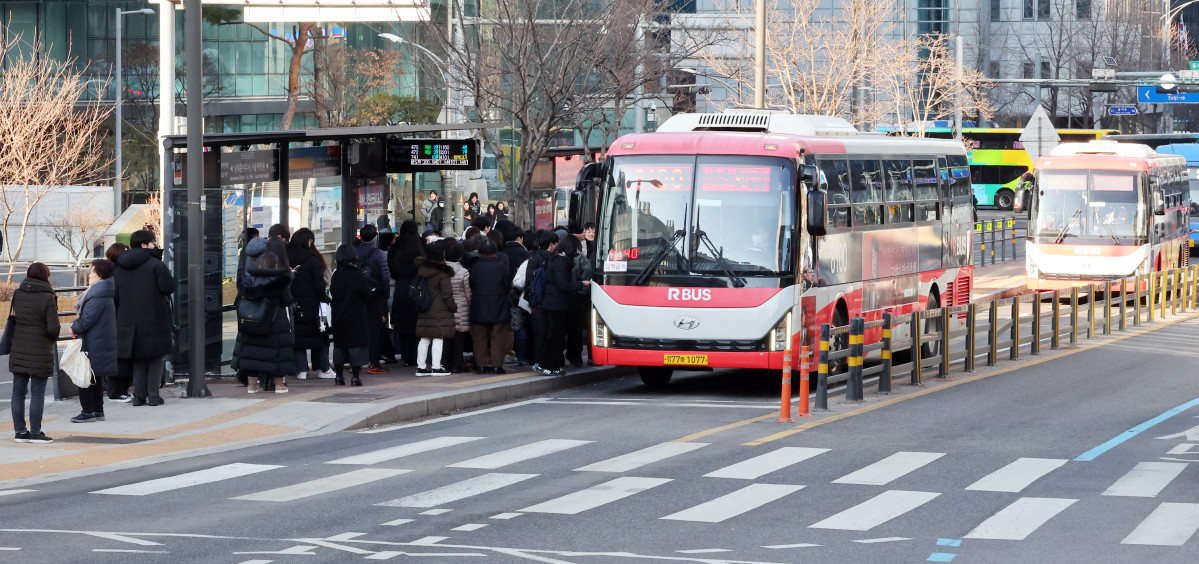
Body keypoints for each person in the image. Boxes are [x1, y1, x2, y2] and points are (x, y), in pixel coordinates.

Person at [114, 230, 174, 406]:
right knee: (155, 358)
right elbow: (168, 287)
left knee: (138, 358)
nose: (154, 245)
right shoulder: (155, 264)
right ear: (143, 245)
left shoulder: (120, 267)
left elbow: (115, 295)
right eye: (152, 242)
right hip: (154, 318)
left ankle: (139, 396)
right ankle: (154, 396)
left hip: (128, 321)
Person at [233, 237, 296, 393]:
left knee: (252, 355)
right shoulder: (278, 282)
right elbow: (287, 300)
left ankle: (252, 386)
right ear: (274, 264)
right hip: (274, 323)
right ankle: (279, 385)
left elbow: (238, 301)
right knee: (277, 354)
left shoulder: (248, 281)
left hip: (251, 323)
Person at [9, 263, 60, 443]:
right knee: (37, 393)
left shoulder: (18, 294)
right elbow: (53, 328)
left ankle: (20, 432)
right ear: (46, 276)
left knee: (18, 393)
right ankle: (36, 433)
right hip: (40, 351)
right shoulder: (48, 297)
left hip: (19, 348)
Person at [69, 259, 118, 423]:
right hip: (99, 339)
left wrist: (75, 327)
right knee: (94, 377)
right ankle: (97, 411)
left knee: (84, 376)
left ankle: (88, 411)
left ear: (100, 274)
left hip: (93, 341)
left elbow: (88, 318)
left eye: (92, 271)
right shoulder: (103, 291)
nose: (89, 275)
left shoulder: (98, 294)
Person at [534, 234, 589, 376]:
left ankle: (549, 365)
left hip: (550, 302)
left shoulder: (552, 258)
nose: (577, 252)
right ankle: (547, 365)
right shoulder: (562, 262)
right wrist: (581, 284)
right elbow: (563, 285)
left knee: (553, 336)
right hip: (557, 304)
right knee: (555, 337)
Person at [288, 228, 334, 380]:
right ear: (308, 241)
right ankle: (324, 368)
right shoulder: (313, 260)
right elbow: (319, 286)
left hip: (294, 305)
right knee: (321, 336)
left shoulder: (287, 259)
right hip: (315, 306)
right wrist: (325, 299)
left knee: (298, 338)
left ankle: (301, 370)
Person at [330, 244, 373, 386]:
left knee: (339, 346)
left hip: (338, 316)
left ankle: (338, 376)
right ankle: (355, 377)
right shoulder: (357, 275)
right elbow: (367, 295)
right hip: (356, 316)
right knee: (356, 347)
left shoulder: (336, 275)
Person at [469, 239, 513, 374]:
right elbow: (507, 286)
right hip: (498, 306)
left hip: (478, 306)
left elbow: (472, 285)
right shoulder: (501, 266)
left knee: (479, 337)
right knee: (498, 337)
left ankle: (481, 365)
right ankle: (497, 365)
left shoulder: (475, 267)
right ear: (495, 252)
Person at [414, 241, 456, 376]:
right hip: (440, 309)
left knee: (424, 338)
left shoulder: (422, 269)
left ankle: (421, 367)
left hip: (424, 306)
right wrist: (453, 306)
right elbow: (447, 293)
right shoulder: (443, 272)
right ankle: (436, 367)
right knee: (438, 337)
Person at [356, 225, 391, 374]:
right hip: (375, 295)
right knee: (374, 329)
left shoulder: (354, 250)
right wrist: (386, 295)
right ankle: (374, 363)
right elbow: (385, 276)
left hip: (358, 295)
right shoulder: (377, 254)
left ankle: (355, 362)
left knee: (358, 328)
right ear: (375, 237)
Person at [390, 220, 423, 366]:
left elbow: (392, 270)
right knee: (417, 322)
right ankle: (417, 356)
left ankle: (406, 355)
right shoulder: (421, 245)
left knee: (403, 323)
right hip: (418, 287)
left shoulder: (396, 247)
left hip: (401, 287)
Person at [525, 230, 558, 370]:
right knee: (546, 333)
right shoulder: (551, 259)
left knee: (538, 333)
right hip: (546, 302)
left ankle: (535, 361)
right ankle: (540, 361)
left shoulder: (534, 258)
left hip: (535, 302)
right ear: (551, 244)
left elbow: (528, 281)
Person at [102, 243, 131, 401]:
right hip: (115, 321)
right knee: (118, 358)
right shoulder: (114, 273)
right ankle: (115, 392)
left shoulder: (112, 271)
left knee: (120, 358)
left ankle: (120, 391)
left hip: (117, 320)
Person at [565, 228, 594, 368]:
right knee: (575, 329)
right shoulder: (582, 259)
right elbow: (587, 278)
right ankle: (575, 356)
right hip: (575, 298)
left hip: (560, 297)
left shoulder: (557, 257)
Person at [445, 239, 472, 373]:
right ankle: (457, 365)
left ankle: (446, 364)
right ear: (459, 256)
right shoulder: (463, 272)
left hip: (445, 308)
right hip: (461, 308)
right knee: (459, 339)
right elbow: (468, 293)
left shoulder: (441, 270)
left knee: (446, 339)